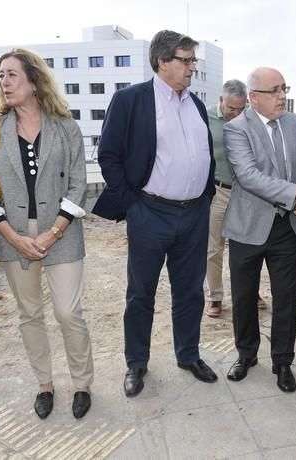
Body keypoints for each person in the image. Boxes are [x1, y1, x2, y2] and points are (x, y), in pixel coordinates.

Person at [92, 30, 218, 398]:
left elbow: (203, 155)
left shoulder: (194, 104)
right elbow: (109, 155)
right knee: (141, 294)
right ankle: (136, 363)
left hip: (194, 214)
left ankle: (188, 355)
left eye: (194, 60)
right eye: (186, 60)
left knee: (191, 291)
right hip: (150, 212)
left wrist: (205, 195)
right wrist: (132, 203)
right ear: (162, 61)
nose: (192, 67)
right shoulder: (131, 100)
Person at [0, 47, 93, 419]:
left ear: (34, 79)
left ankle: (82, 383)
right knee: (29, 314)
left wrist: (53, 233)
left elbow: (78, 185)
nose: (3, 82)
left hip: (62, 231)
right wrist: (12, 235)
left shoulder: (66, 126)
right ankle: (45, 384)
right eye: (0, 75)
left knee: (67, 312)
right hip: (14, 237)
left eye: (11, 74)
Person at [222, 67, 296, 393]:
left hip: (289, 226)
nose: (283, 95)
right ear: (254, 98)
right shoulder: (236, 129)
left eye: (284, 88)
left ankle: (283, 361)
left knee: (286, 299)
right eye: (275, 90)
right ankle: (246, 354)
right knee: (243, 297)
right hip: (247, 226)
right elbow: (249, 176)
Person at [204, 79, 248, 318]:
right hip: (218, 190)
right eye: (232, 108)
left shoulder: (249, 117)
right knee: (214, 248)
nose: (236, 113)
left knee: (249, 246)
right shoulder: (205, 117)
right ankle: (215, 296)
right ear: (221, 100)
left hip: (246, 192)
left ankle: (249, 292)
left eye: (241, 108)